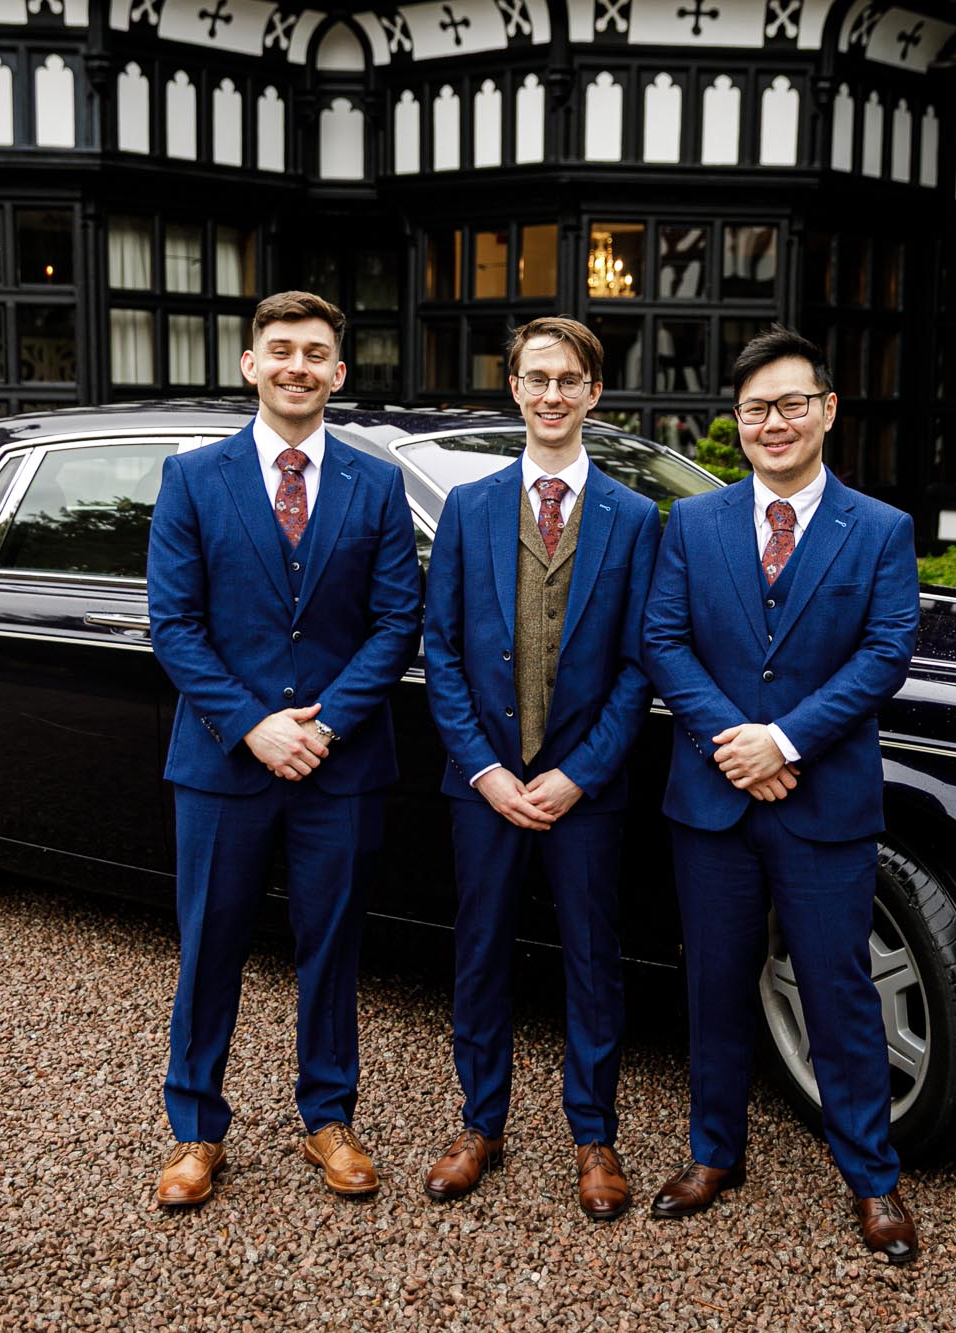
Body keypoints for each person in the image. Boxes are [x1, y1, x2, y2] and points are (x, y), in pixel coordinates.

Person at [640, 324, 923, 1263]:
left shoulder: (880, 529)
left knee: (839, 990)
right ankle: (715, 1153)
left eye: (793, 403)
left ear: (827, 410)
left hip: (824, 800)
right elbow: (663, 641)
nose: (774, 421)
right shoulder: (694, 523)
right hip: (713, 802)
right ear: (738, 421)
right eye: (756, 407)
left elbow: (885, 655)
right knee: (714, 984)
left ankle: (871, 1178)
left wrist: (786, 739)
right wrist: (737, 743)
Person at [145, 290, 423, 1207]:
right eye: (281, 349)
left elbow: (395, 622)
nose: (298, 365)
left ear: (338, 374)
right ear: (250, 365)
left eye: (316, 353)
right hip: (223, 761)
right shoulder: (192, 478)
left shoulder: (374, 484)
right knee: (210, 942)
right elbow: (174, 624)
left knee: (332, 944)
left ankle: (329, 1117)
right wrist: (255, 724)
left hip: (341, 764)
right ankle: (195, 1130)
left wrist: (328, 721)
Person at [419, 317, 662, 1220]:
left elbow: (643, 664)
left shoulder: (636, 520)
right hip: (483, 784)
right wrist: (482, 768)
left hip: (584, 789)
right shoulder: (470, 507)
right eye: (537, 378)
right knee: (479, 954)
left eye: (571, 379)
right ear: (513, 387)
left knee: (594, 960)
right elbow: (439, 650)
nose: (552, 394)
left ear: (594, 393)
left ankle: (594, 1133)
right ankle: (481, 1122)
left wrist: (583, 773)